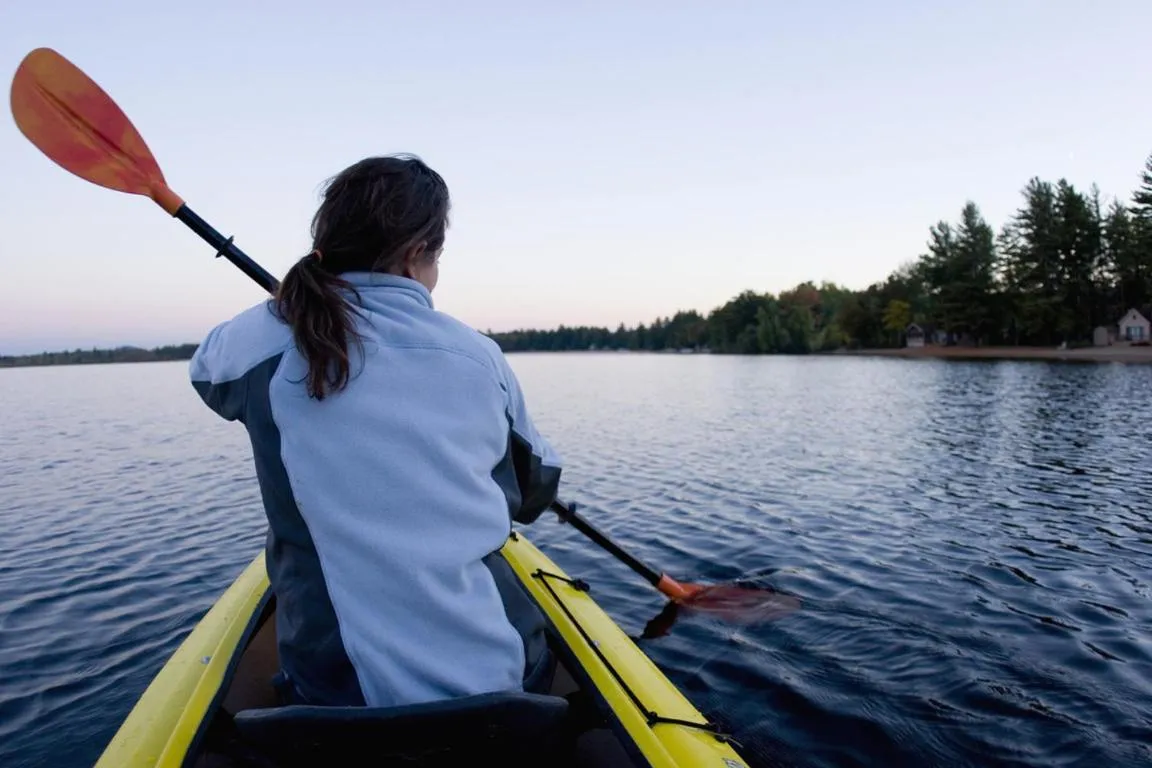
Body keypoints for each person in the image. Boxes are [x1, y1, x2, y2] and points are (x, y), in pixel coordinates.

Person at [188, 154, 562, 709]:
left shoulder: (261, 341)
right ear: (417, 255)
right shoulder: (479, 357)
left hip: (330, 694)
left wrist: (291, 304)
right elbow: (534, 490)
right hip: (497, 685)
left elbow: (205, 372)